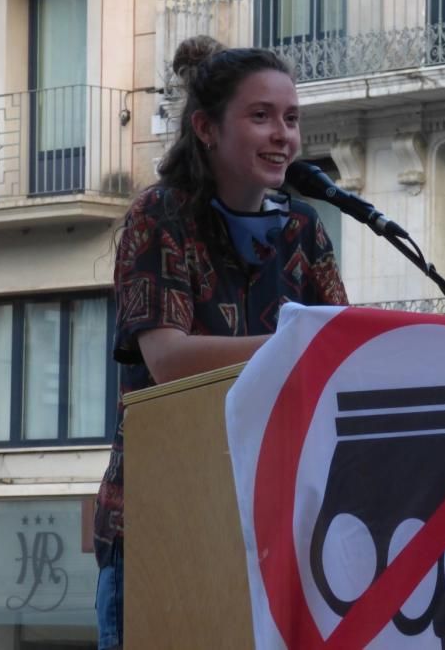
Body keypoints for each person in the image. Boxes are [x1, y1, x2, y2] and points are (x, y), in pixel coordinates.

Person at [93, 36, 348, 649]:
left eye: (291, 119)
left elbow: (340, 350)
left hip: (277, 519)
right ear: (206, 128)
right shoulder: (160, 216)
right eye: (260, 117)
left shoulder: (303, 226)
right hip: (166, 520)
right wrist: (296, 342)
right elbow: (168, 360)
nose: (282, 135)